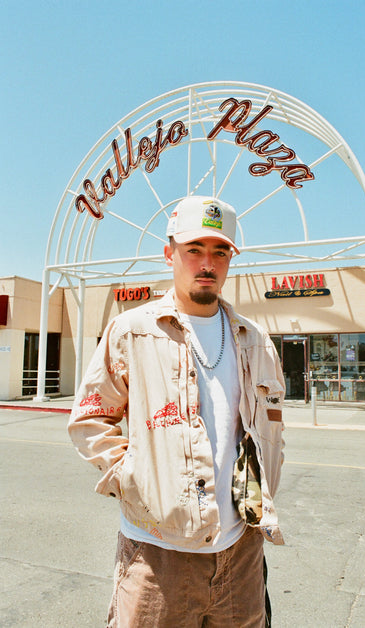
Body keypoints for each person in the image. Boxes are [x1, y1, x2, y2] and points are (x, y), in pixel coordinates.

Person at [68, 195, 285, 627]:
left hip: (240, 553)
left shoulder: (254, 340)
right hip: (157, 557)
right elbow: (91, 420)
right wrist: (132, 479)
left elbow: (269, 434)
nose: (208, 263)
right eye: (194, 250)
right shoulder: (133, 331)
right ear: (170, 254)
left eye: (220, 251)